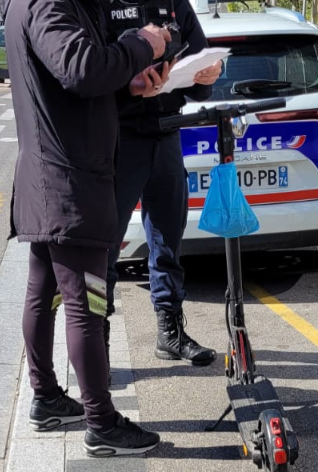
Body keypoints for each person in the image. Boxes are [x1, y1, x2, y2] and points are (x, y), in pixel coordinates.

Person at [3, 0, 171, 455]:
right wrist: (142, 44)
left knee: (43, 294)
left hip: (52, 180)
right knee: (89, 304)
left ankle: (47, 398)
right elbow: (80, 68)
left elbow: (74, 82)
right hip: (70, 185)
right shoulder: (50, 3)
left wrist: (130, 84)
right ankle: (102, 423)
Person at [102, 0, 224, 366]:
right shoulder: (101, 5)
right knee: (105, 249)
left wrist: (210, 73)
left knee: (168, 240)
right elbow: (93, 71)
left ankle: (170, 333)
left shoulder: (174, 3)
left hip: (168, 135)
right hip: (120, 140)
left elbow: (202, 59)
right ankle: (97, 345)